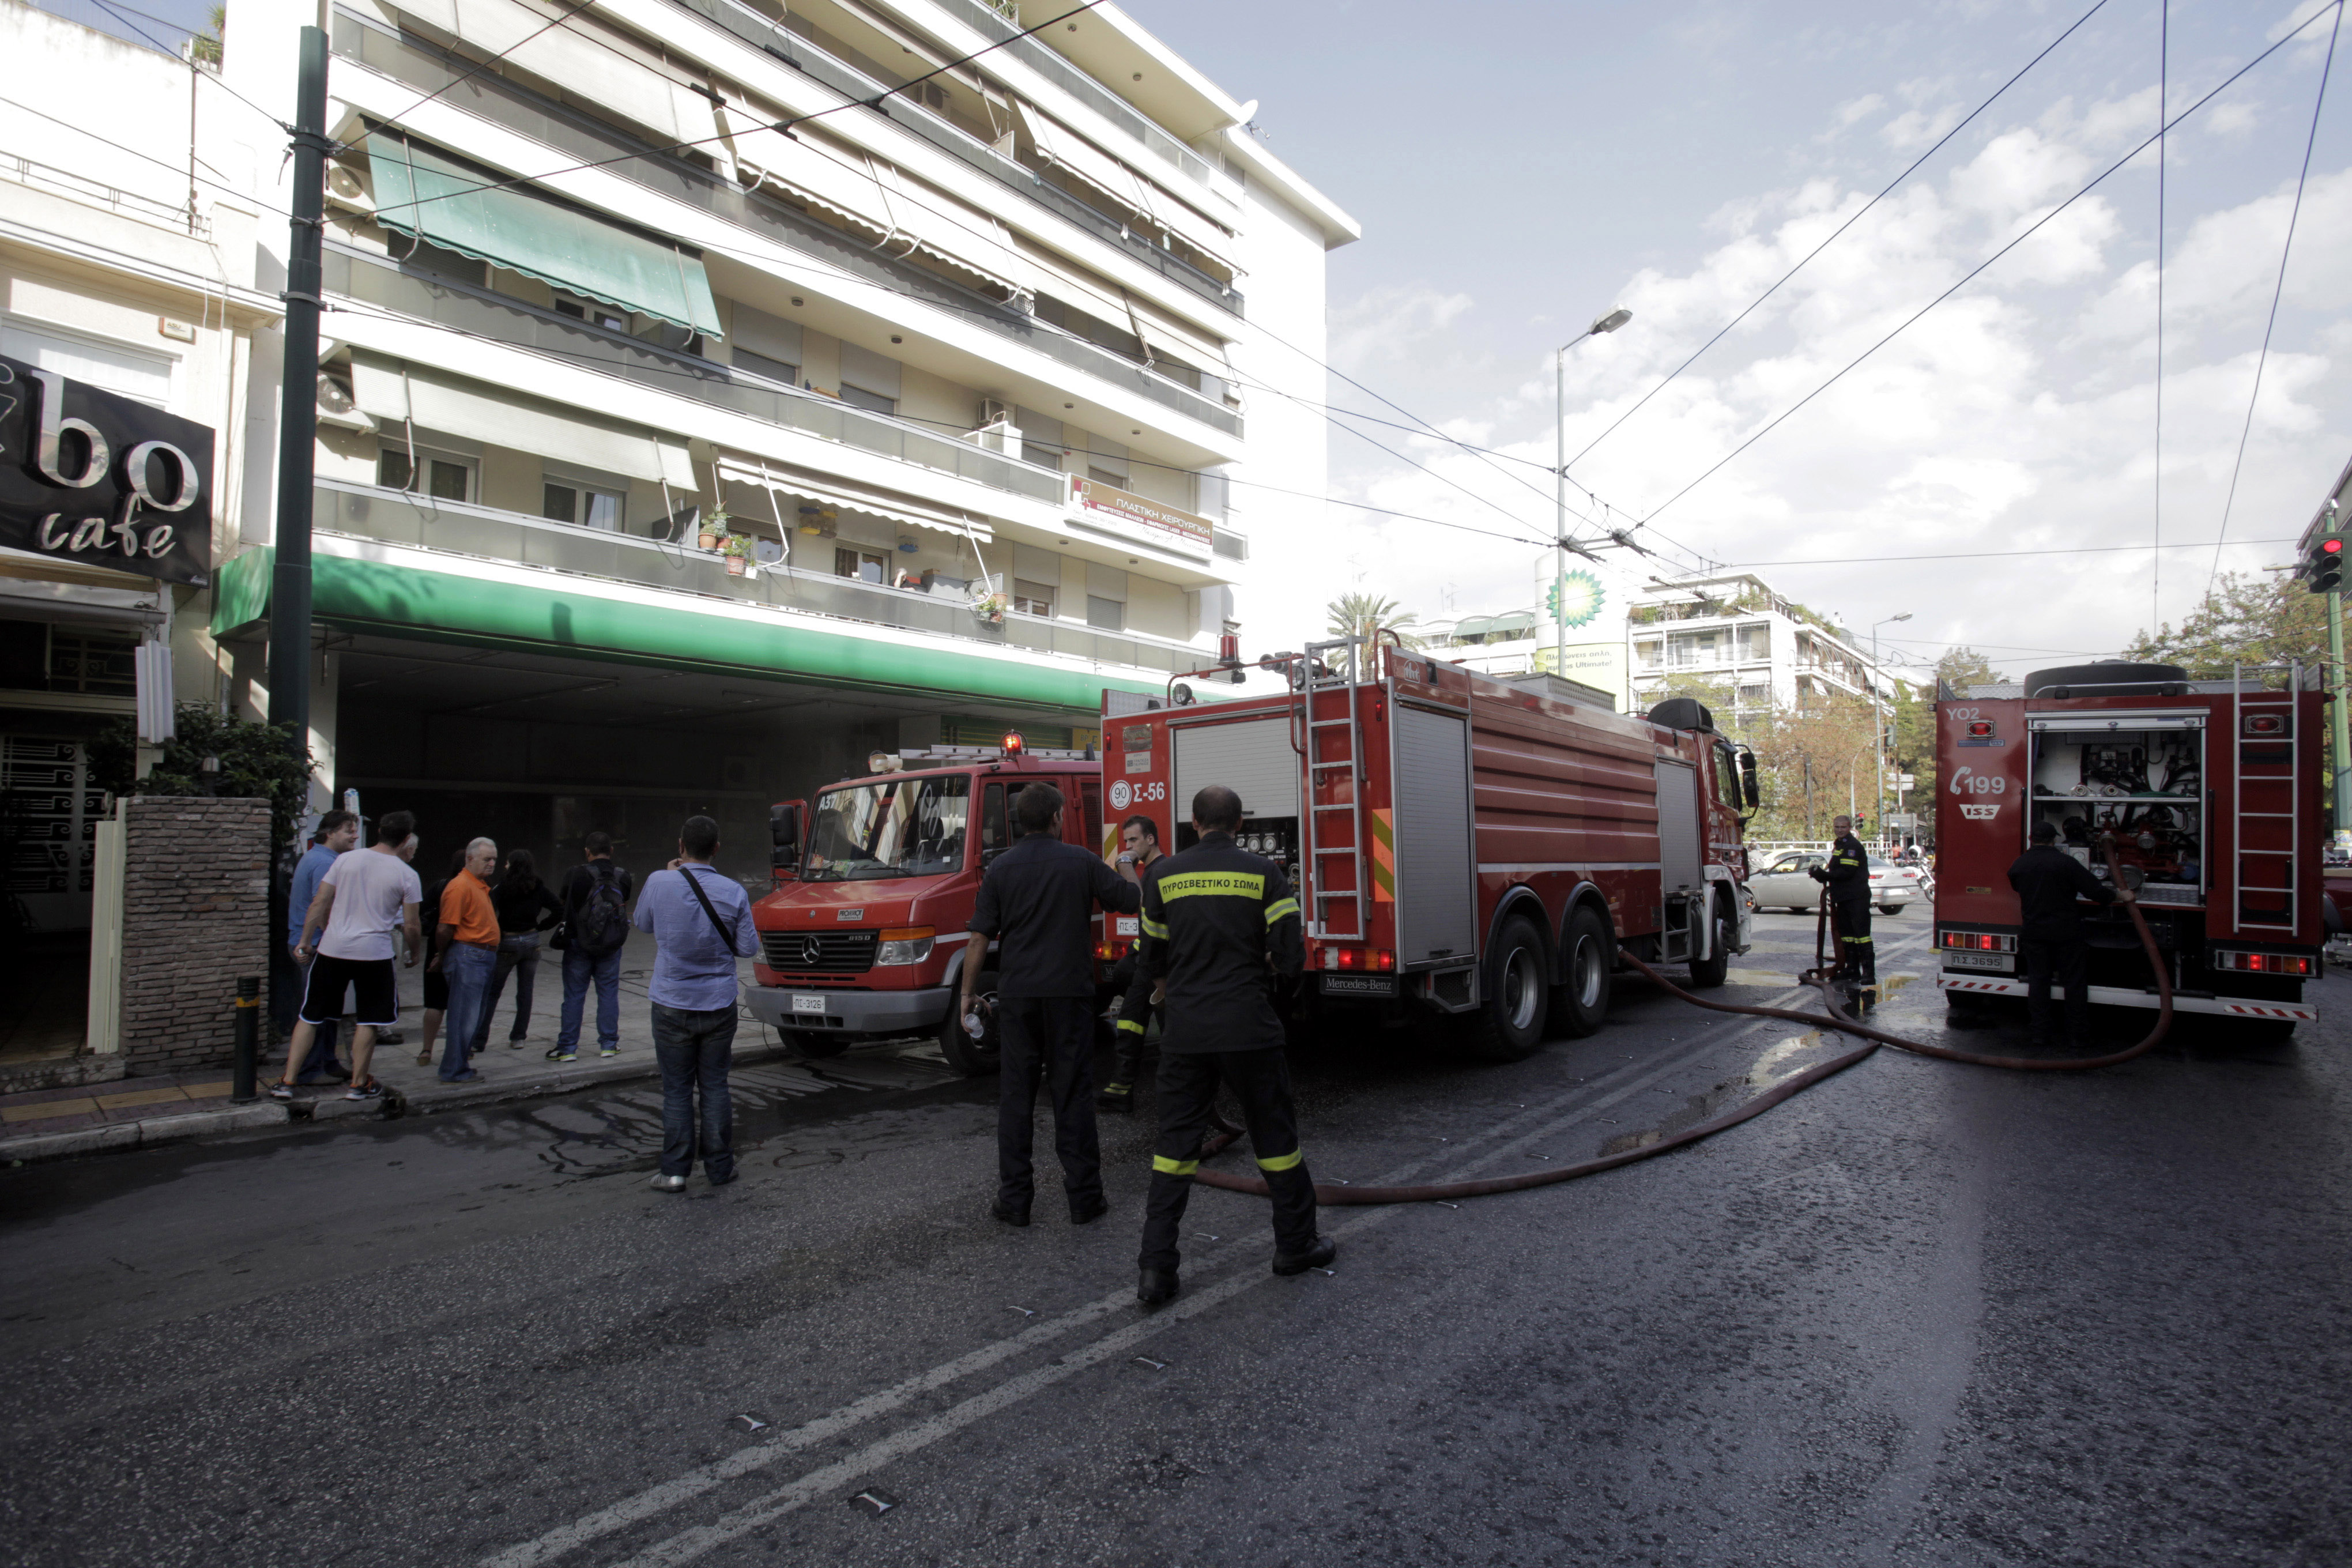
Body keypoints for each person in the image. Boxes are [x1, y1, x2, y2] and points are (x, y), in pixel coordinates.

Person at [1133, 785, 1328, 1306]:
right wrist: (1260, 964)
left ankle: (1155, 1271)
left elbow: (1150, 958)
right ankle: (1295, 1246)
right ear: (1240, 824)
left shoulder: (1162, 876)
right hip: (1249, 1029)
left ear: (1193, 824)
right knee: (1276, 1141)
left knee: (1174, 1150)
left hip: (1187, 1032)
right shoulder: (1266, 874)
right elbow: (1291, 957)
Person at [960, 782, 1140, 1227]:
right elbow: (1132, 900)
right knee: (1072, 1094)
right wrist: (1127, 863)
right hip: (1070, 997)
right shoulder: (1079, 860)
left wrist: (966, 995)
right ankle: (1084, 1199)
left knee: (1016, 1097)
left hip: (1019, 998)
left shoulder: (1001, 869)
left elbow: (979, 937)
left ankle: (1015, 1201)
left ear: (1021, 821)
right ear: (1058, 817)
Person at [634, 815, 759, 1190]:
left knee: (676, 1089)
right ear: (716, 849)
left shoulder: (659, 882)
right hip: (719, 1004)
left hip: (671, 1003)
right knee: (715, 1086)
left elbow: (641, 923)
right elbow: (749, 948)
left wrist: (669, 875)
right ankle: (720, 1169)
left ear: (680, 846)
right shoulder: (733, 892)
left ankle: (674, 1172)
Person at [270, 811, 423, 1103]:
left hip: (333, 948)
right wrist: (413, 952)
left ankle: (287, 1082)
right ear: (405, 841)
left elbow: (321, 901)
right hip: (374, 955)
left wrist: (304, 940)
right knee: (369, 1020)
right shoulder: (407, 874)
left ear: (378, 830)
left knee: (310, 1015)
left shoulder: (345, 860)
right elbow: (412, 925)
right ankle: (358, 1085)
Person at [2009, 819, 2127, 1047]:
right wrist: (2120, 896)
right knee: (2073, 983)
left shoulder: (2019, 865)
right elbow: (2096, 892)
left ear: (2032, 839)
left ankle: (2040, 1034)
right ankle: (2076, 1034)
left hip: (2034, 932)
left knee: (2039, 983)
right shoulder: (2066, 863)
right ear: (2055, 840)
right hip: (2066, 933)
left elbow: (2016, 886)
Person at [1096, 814, 1165, 1115]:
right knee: (1134, 1017)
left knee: (1132, 1019)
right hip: (1149, 958)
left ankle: (1128, 1089)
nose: (1127, 846)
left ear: (1151, 839)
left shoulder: (1158, 872)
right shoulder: (1149, 870)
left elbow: (1139, 907)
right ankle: (1124, 1088)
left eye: (1133, 840)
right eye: (1125, 841)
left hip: (1158, 963)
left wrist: (1125, 865)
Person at [283, 809, 357, 1084]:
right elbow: (322, 906)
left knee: (326, 1011)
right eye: (349, 831)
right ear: (330, 834)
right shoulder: (325, 863)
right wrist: (330, 939)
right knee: (316, 1011)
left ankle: (327, 1062)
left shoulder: (319, 857)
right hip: (315, 947)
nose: (355, 836)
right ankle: (310, 1070)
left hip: (314, 944)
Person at [469, 847, 564, 1054]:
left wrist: (493, 932)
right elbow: (559, 909)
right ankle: (519, 1037)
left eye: (507, 862)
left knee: (493, 992)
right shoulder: (537, 886)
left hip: (507, 942)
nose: (504, 865)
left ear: (512, 866)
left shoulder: (502, 887)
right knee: (526, 991)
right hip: (531, 941)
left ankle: (479, 1039)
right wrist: (541, 926)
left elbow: (486, 910)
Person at [551, 832, 635, 1063]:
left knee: (574, 995)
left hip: (580, 944)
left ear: (587, 851)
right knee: (608, 994)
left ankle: (568, 1048)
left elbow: (564, 901)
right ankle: (609, 1045)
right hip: (610, 945)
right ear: (612, 851)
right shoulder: (623, 876)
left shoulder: (575, 874)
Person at [431, 838, 501, 1083]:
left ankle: (458, 1066)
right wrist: (442, 956)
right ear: (470, 859)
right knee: (465, 1016)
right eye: (487, 859)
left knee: (473, 1016)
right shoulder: (460, 886)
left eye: (494, 859)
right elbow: (444, 929)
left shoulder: (478, 885)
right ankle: (454, 1069)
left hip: (482, 956)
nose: (492, 864)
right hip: (469, 955)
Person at [1810, 815, 1875, 1008]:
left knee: (1862, 936)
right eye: (1837, 826)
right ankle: (1852, 969)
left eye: (1843, 827)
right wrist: (1820, 875)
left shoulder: (1852, 846)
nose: (1840, 830)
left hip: (1857, 898)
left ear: (1850, 827)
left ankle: (1869, 974)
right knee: (1847, 935)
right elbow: (1837, 871)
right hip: (1844, 898)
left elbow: (1846, 872)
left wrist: (1824, 874)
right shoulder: (1840, 846)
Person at [414, 848, 465, 1068]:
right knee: (462, 1003)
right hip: (462, 949)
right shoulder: (474, 888)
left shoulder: (440, 886)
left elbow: (421, 911)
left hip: (436, 947)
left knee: (436, 1002)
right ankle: (461, 1049)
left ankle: (427, 1049)